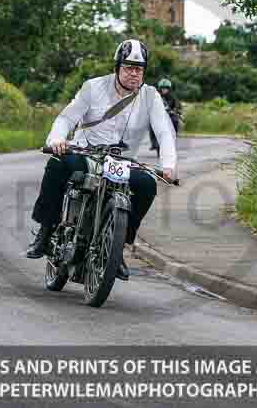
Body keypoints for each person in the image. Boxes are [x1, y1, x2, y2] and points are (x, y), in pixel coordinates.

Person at [25, 39, 178, 281]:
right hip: (87, 154)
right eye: (128, 67)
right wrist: (57, 140)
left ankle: (116, 249)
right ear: (117, 67)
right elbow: (66, 119)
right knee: (57, 164)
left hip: (122, 162)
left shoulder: (151, 96)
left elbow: (164, 132)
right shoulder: (93, 87)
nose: (134, 74)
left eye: (139, 69)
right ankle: (45, 232)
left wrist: (168, 166)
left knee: (147, 184)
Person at [149, 78, 181, 152]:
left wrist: (175, 110)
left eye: (166, 88)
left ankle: (173, 137)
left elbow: (177, 105)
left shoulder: (173, 97)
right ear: (160, 89)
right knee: (151, 125)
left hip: (169, 116)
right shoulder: (156, 96)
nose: (164, 90)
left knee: (175, 121)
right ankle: (153, 143)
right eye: (162, 88)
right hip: (158, 116)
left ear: (169, 89)